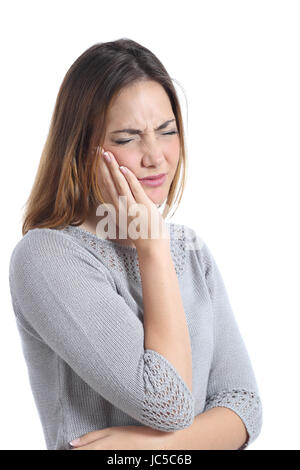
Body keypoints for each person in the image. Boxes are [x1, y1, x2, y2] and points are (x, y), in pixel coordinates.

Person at [8, 39, 262, 450]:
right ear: (81, 149)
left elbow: (245, 406)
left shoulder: (191, 252)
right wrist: (153, 248)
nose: (155, 157)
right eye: (128, 138)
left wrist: (143, 448)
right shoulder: (46, 256)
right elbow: (169, 404)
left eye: (167, 132)